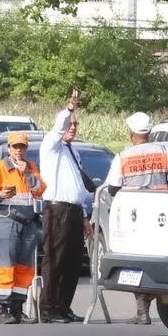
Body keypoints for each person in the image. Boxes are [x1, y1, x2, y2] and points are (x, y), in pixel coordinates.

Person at [103, 112, 168, 324]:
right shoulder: (163, 151)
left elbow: (112, 187)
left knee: (136, 262)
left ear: (131, 133)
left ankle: (142, 311)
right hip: (161, 215)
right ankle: (155, 305)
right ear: (149, 132)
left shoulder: (123, 156)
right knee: (158, 258)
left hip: (134, 217)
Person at [37, 88, 94, 323]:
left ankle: (63, 306)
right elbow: (59, 126)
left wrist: (83, 216)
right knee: (55, 258)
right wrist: (70, 107)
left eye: (75, 125)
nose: (71, 128)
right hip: (56, 209)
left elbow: (79, 187)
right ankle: (48, 307)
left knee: (72, 261)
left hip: (73, 210)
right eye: (69, 125)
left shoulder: (74, 153)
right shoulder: (51, 147)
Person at [0, 131, 46, 323]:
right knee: (3, 266)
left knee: (23, 268)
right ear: (9, 148)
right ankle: (1, 309)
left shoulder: (31, 166)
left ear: (26, 148)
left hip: (28, 224)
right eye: (15, 146)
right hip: (5, 222)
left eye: (22, 146)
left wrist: (28, 173)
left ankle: (17, 308)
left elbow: (40, 190)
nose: (19, 150)